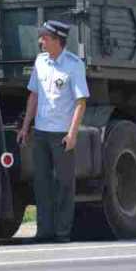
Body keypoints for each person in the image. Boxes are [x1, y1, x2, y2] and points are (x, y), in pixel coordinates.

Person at [17, 20, 89, 243]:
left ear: (57, 40)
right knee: (41, 183)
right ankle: (44, 231)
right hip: (41, 133)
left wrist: (72, 134)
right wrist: (25, 127)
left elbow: (80, 102)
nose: (41, 41)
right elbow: (34, 96)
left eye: (45, 38)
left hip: (61, 135)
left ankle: (62, 233)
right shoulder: (40, 62)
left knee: (64, 184)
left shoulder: (74, 65)